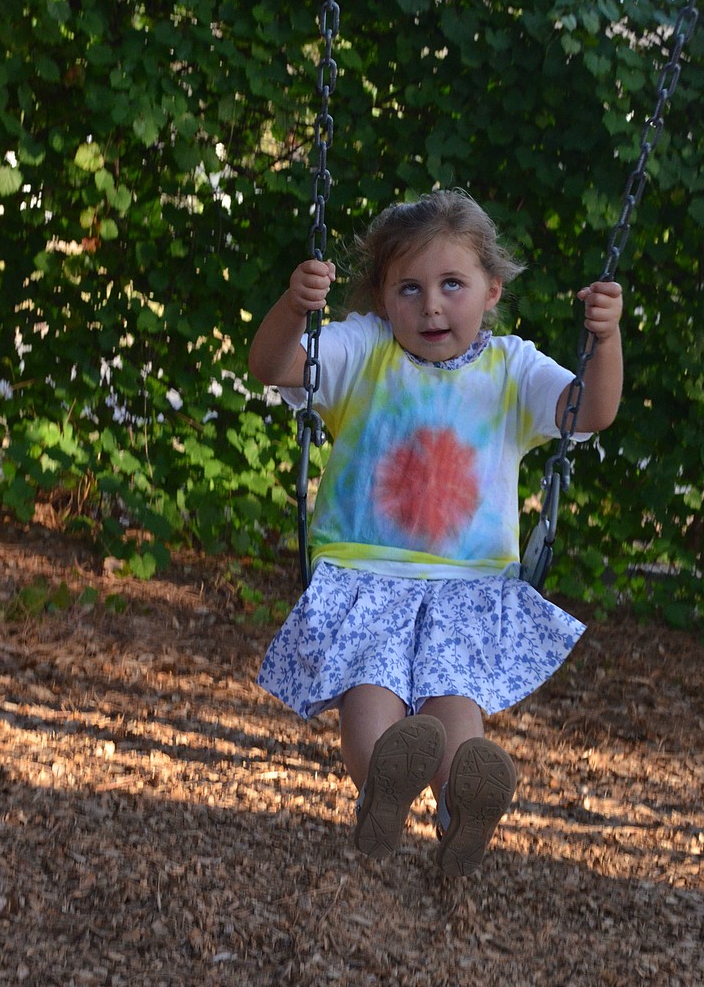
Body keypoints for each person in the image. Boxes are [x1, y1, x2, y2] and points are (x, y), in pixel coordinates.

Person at [248, 189, 623, 877]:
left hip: (466, 589)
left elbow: (589, 411)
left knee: (457, 721)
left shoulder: (512, 368)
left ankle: (461, 814)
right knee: (371, 708)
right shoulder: (361, 348)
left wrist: (607, 339)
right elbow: (273, 366)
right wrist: (293, 307)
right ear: (382, 298)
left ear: (491, 292)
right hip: (365, 576)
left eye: (453, 284)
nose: (431, 306)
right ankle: (383, 794)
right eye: (409, 288)